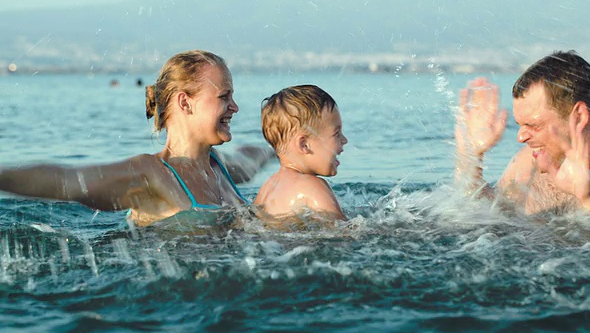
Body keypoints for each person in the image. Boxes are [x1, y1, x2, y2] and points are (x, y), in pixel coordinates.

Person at [0, 50, 273, 226]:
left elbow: (251, 157)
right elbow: (69, 181)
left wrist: (282, 146)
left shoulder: (219, 166)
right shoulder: (152, 174)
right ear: (185, 103)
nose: (235, 107)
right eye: (224, 97)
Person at [455, 50, 590, 226]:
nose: (520, 137)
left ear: (579, 117)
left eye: (533, 125)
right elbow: (488, 213)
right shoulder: (528, 161)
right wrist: (471, 157)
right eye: (520, 125)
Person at [253, 84, 348, 223]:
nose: (345, 140)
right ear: (304, 145)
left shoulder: (269, 185)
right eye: (337, 134)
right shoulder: (314, 187)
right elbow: (344, 232)